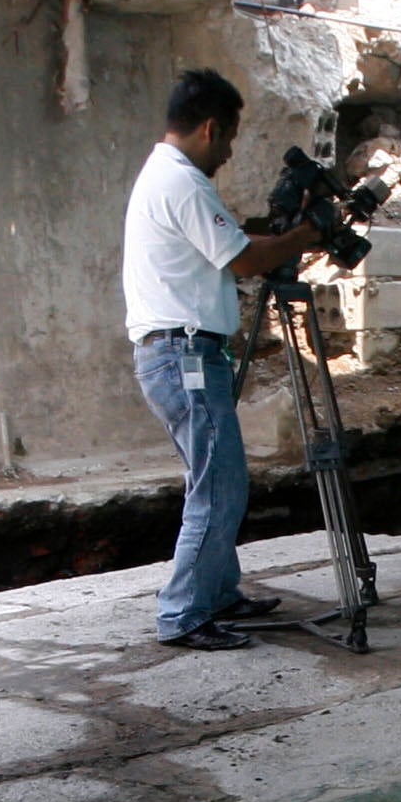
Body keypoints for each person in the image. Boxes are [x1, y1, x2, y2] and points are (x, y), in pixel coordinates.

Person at [122, 68, 318, 652]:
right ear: (211, 128)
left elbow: (233, 248)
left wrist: (282, 237)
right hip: (183, 355)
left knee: (213, 480)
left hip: (180, 354)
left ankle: (218, 592)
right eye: (230, 137)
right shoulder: (181, 182)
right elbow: (241, 260)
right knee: (220, 486)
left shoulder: (167, 177)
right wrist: (304, 236)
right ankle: (183, 612)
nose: (230, 151)